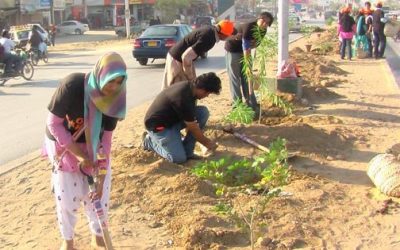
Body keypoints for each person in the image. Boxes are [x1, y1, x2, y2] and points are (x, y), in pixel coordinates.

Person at [44, 52, 127, 250]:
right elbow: (53, 124)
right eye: (110, 81)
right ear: (100, 74)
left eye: (119, 82)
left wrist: (101, 175)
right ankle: (68, 241)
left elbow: (106, 142)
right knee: (68, 198)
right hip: (62, 142)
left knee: (99, 196)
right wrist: (80, 156)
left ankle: (97, 236)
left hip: (93, 145)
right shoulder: (72, 86)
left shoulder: (114, 99)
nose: (113, 87)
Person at [143, 72, 220, 163]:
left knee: (202, 112)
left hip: (173, 120)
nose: (207, 96)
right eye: (208, 93)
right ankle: (149, 142)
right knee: (178, 159)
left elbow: (191, 121)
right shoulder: (182, 97)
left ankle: (188, 152)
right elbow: (193, 127)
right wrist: (207, 143)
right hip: (159, 127)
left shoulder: (191, 88)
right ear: (202, 89)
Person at [161, 20, 234, 90]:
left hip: (182, 58)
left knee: (191, 87)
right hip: (177, 59)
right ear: (223, 34)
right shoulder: (208, 38)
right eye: (228, 35)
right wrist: (190, 77)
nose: (228, 37)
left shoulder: (209, 30)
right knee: (176, 90)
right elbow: (186, 57)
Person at [224, 12, 274, 114]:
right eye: (263, 20)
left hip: (246, 51)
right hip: (233, 49)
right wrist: (247, 64)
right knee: (235, 78)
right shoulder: (249, 26)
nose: (264, 24)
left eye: (267, 23)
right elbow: (246, 46)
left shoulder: (263, 31)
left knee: (247, 77)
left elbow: (256, 44)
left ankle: (250, 101)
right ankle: (237, 105)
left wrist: (252, 47)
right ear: (258, 19)